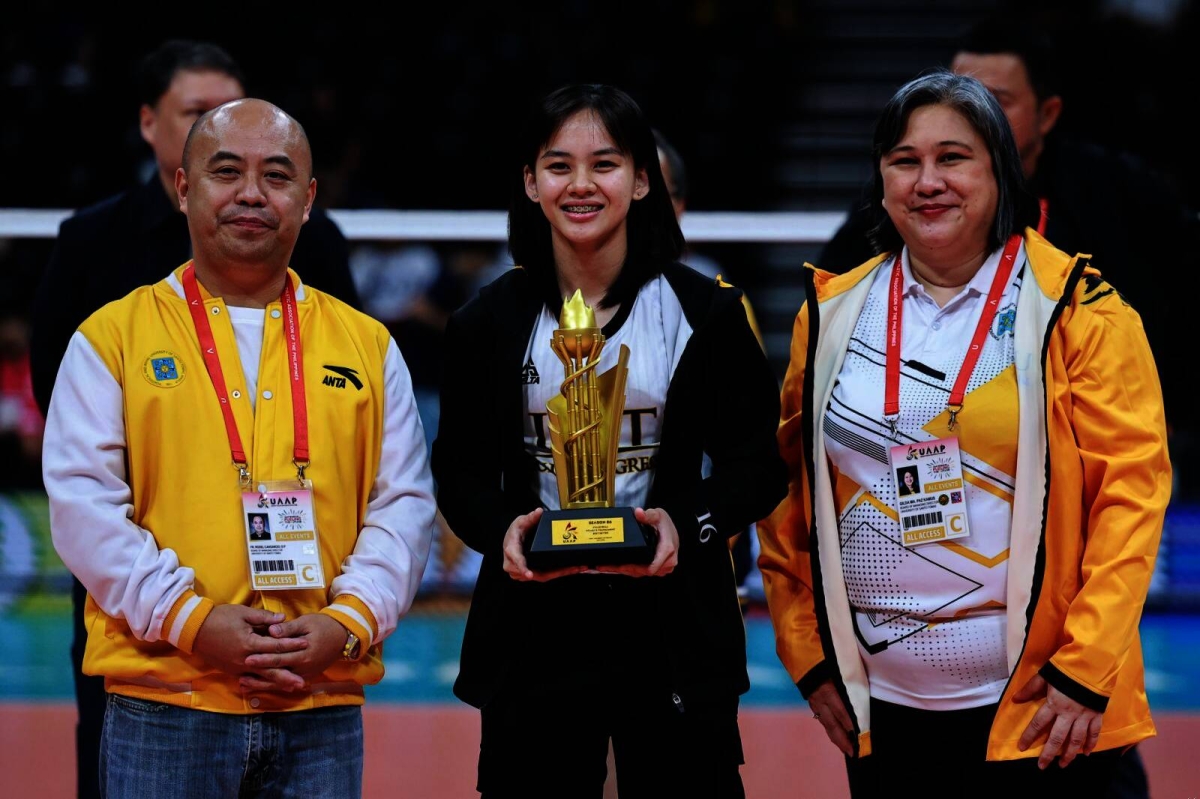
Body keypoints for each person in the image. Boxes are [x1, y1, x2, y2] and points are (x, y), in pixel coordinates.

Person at [757, 71, 1170, 797]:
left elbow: (1130, 497)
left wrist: (1086, 668)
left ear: (998, 172)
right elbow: (788, 499)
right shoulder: (830, 313)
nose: (927, 181)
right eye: (904, 160)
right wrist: (810, 656)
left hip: (1045, 718)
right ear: (880, 178)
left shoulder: (1080, 309)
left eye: (953, 157)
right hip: (885, 716)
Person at [41, 98, 435, 797]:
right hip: (166, 699)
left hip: (321, 699)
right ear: (184, 188)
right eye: (227, 171)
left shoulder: (369, 346)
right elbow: (82, 506)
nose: (252, 192)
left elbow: (402, 505)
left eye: (276, 175)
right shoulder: (112, 338)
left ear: (308, 199)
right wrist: (192, 618)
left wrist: (346, 622)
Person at [431, 84, 787, 798]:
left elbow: (759, 464)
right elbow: (459, 471)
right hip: (533, 631)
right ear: (531, 183)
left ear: (644, 178)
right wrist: (501, 529)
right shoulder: (487, 321)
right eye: (558, 166)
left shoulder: (705, 313)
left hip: (673, 628)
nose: (582, 184)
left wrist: (685, 526)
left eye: (606, 163)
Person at [817, 18, 1195, 496]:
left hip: (1095, 447)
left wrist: (1174, 412)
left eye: (997, 100)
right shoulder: (911, 202)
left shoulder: (1120, 194)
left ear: (1049, 113)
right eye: (958, 92)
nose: (971, 111)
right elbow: (834, 294)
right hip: (938, 449)